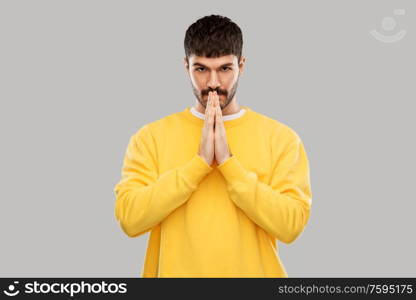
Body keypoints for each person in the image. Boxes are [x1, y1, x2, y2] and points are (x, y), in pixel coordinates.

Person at [113, 14, 312, 278]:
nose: (213, 83)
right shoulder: (150, 137)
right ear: (186, 66)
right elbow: (130, 220)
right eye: (201, 69)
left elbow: (291, 227)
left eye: (225, 68)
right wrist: (198, 165)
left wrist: (229, 164)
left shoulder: (281, 138)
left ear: (241, 64)